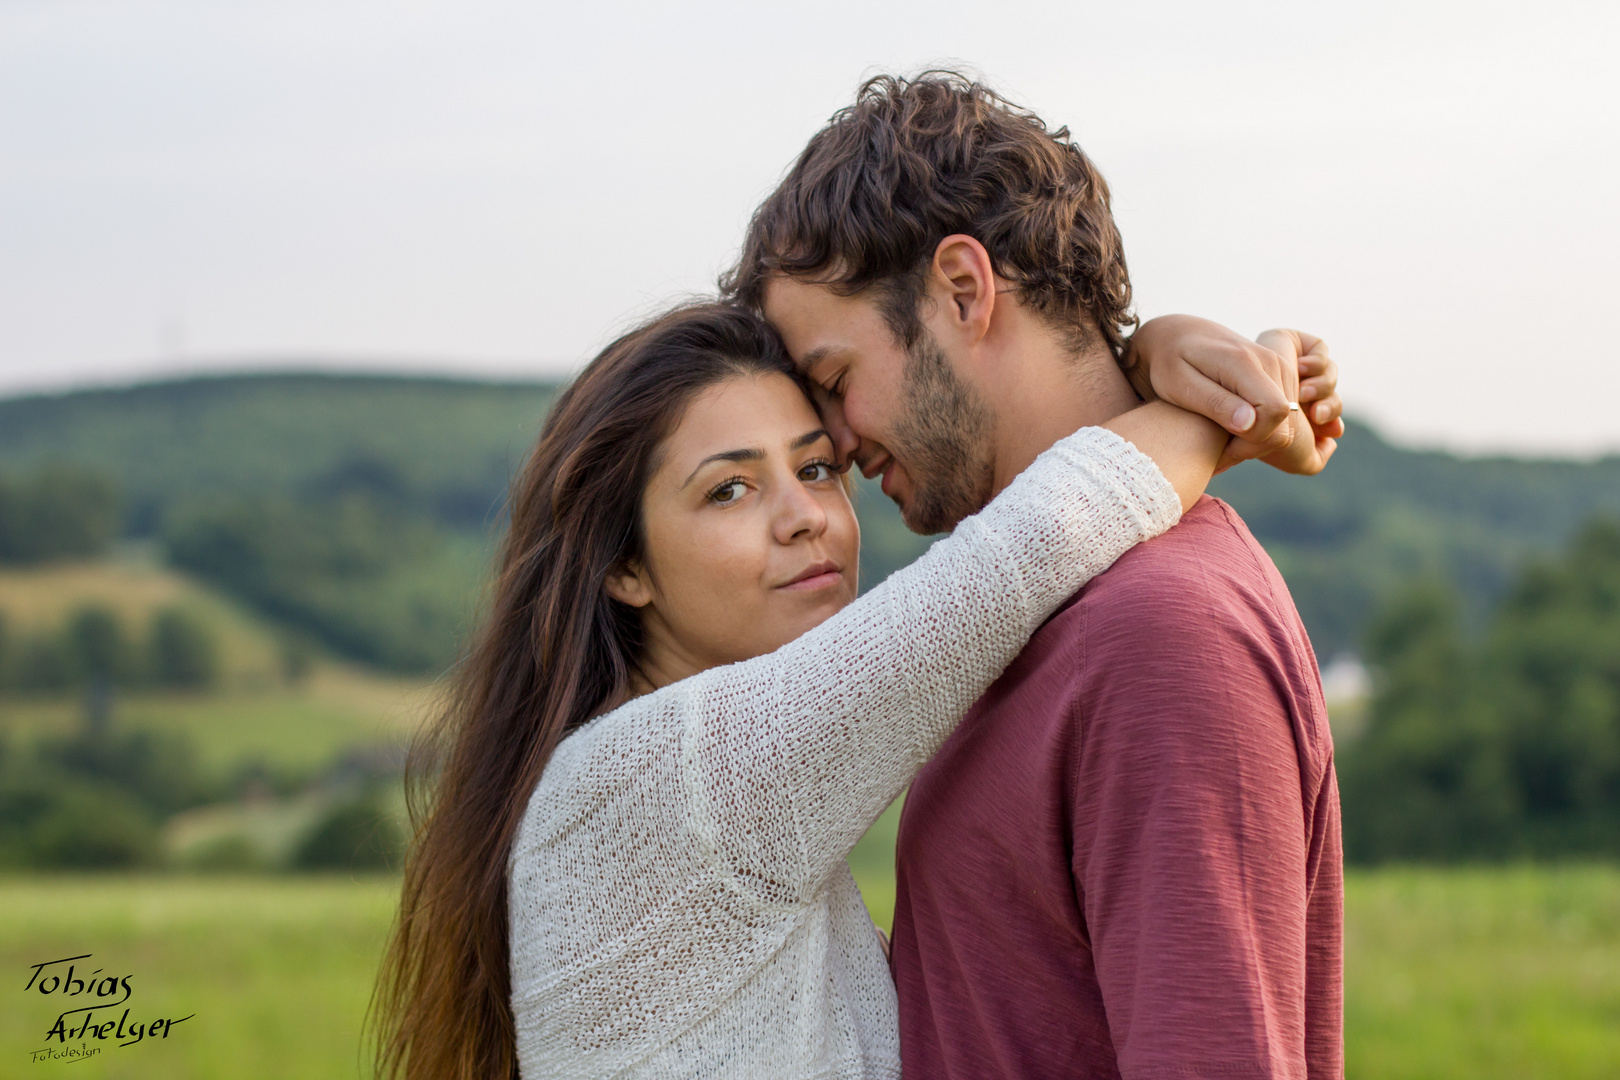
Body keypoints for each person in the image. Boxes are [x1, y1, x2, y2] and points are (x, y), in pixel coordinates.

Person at [368, 297, 1336, 1078]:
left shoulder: (712, 799)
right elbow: (1027, 551)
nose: (804, 520)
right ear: (626, 568)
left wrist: (1160, 349)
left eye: (819, 467)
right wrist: (1206, 394)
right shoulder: (652, 784)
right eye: (729, 490)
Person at [725, 71, 1343, 1078]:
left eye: (836, 382)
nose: (833, 443)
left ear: (965, 290)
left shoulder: (1160, 635)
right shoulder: (1030, 614)